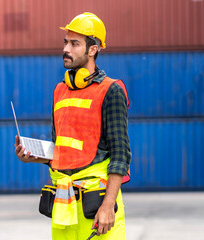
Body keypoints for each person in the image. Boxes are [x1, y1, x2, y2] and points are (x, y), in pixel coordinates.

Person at [14, 12, 130, 240]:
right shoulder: (60, 91)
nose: (66, 49)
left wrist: (108, 205)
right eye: (65, 42)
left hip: (96, 206)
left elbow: (120, 155)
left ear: (93, 49)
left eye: (74, 43)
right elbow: (64, 148)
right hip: (63, 205)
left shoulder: (111, 91)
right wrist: (34, 156)